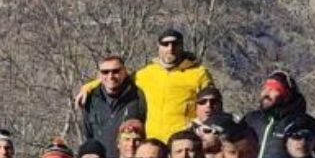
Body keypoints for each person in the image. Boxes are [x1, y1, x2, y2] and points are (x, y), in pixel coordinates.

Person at [76, 28, 213, 141]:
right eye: (165, 44)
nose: (170, 48)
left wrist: (198, 126)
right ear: (158, 47)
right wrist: (88, 87)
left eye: (175, 44)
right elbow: (116, 78)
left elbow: (212, 103)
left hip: (183, 141)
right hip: (151, 142)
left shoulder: (199, 73)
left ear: (182, 46)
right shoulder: (145, 74)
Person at [245, 71, 315, 158]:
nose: (266, 93)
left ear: (286, 95)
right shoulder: (252, 119)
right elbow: (230, 143)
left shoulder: (301, 122)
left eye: (273, 89)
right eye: (265, 88)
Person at [81, 56, 147, 144]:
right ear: (99, 75)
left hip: (130, 155)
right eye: (105, 72)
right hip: (101, 156)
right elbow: (88, 134)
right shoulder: (90, 99)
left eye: (115, 71)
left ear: (124, 72)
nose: (110, 76)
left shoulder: (138, 96)